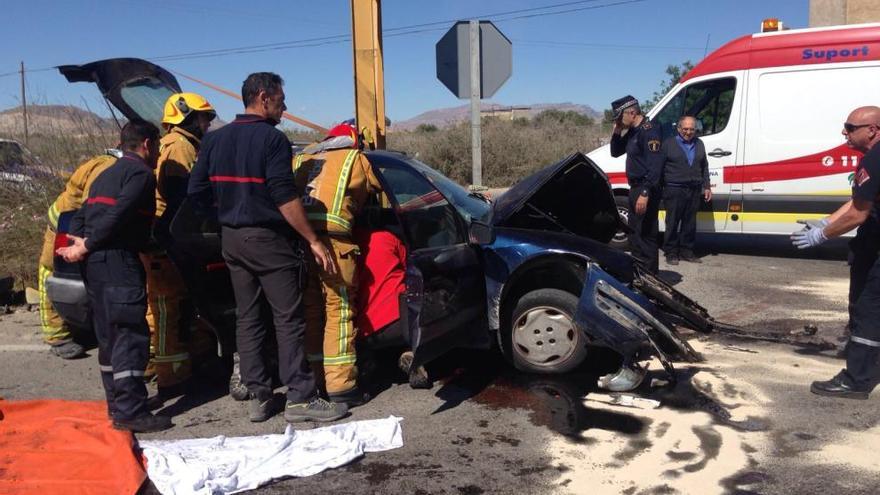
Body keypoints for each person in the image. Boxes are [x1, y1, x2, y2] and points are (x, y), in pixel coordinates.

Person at [187, 72, 348, 423]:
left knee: (248, 317)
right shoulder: (272, 140)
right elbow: (285, 197)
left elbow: (195, 193)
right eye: (280, 99)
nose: (284, 106)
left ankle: (259, 396)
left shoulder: (214, 141)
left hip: (232, 240)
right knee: (288, 319)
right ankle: (301, 398)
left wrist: (224, 218)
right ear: (263, 97)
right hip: (269, 242)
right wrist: (313, 239)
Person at [57, 119, 172, 432]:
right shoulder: (140, 175)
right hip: (117, 261)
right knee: (129, 335)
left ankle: (120, 403)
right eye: (158, 146)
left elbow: (82, 214)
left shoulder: (106, 174)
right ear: (147, 144)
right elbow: (121, 212)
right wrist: (89, 244)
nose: (160, 152)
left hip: (95, 265)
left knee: (109, 337)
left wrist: (77, 244)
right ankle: (131, 412)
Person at [792, 105, 880, 400]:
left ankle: (856, 380)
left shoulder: (875, 158)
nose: (844, 131)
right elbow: (858, 199)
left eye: (850, 126)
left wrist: (821, 235)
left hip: (877, 249)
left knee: (866, 309)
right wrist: (827, 221)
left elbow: (858, 213)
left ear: (872, 130)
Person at [293, 123, 383, 406]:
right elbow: (381, 188)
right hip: (334, 247)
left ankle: (316, 381)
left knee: (311, 313)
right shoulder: (355, 158)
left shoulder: (303, 158)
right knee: (339, 312)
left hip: (300, 246)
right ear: (353, 140)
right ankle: (342, 386)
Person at [141, 92, 216, 399]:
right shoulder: (179, 146)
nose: (207, 124)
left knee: (172, 308)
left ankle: (158, 365)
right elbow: (182, 197)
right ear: (187, 117)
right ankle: (172, 378)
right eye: (203, 118)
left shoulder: (182, 144)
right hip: (167, 240)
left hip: (170, 237)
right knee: (167, 311)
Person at [38, 149, 121, 359]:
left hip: (70, 224)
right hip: (63, 226)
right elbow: (93, 203)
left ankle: (77, 327)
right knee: (49, 273)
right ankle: (57, 337)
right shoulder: (107, 168)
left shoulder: (107, 162)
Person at [354, 226, 431, 389]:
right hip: (398, 322)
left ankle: (367, 362)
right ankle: (410, 353)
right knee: (417, 306)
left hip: (364, 331)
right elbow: (410, 268)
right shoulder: (387, 238)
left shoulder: (346, 248)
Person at [610, 95, 664, 274]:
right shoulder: (633, 131)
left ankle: (651, 277)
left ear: (632, 112)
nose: (618, 120)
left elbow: (655, 166)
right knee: (635, 234)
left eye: (620, 116)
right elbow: (615, 152)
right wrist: (617, 131)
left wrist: (645, 193)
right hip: (635, 188)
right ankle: (640, 273)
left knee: (646, 235)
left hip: (645, 189)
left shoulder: (649, 131)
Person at [660, 116, 711, 265]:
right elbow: (660, 167)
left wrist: (706, 186)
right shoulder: (668, 144)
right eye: (685, 129)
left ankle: (686, 251)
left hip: (694, 189)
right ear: (679, 129)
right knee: (673, 222)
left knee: (690, 223)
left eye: (691, 129)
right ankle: (671, 252)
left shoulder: (699, 143)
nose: (688, 132)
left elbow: (704, 166)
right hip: (674, 189)